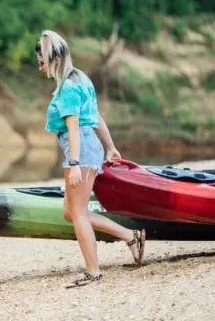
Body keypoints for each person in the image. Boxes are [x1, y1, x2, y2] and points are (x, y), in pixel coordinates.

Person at [36, 30, 145, 286]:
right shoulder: (81, 79)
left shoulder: (68, 89)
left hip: (81, 149)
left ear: (52, 59)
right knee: (71, 212)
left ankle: (93, 270)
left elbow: (74, 128)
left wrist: (74, 163)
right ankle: (130, 236)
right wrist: (110, 147)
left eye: (41, 62)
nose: (39, 67)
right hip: (87, 146)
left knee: (78, 212)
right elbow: (96, 116)